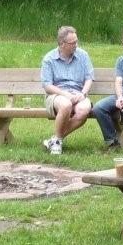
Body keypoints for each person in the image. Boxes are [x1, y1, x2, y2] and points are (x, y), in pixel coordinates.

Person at [40, 25, 94, 155]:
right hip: (56, 95)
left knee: (84, 109)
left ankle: (55, 140)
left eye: (77, 41)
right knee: (66, 105)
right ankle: (57, 143)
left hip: (78, 93)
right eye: (72, 43)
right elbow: (47, 86)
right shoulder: (49, 59)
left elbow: (89, 78)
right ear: (62, 44)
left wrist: (83, 93)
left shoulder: (83, 55)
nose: (76, 45)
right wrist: (65, 94)